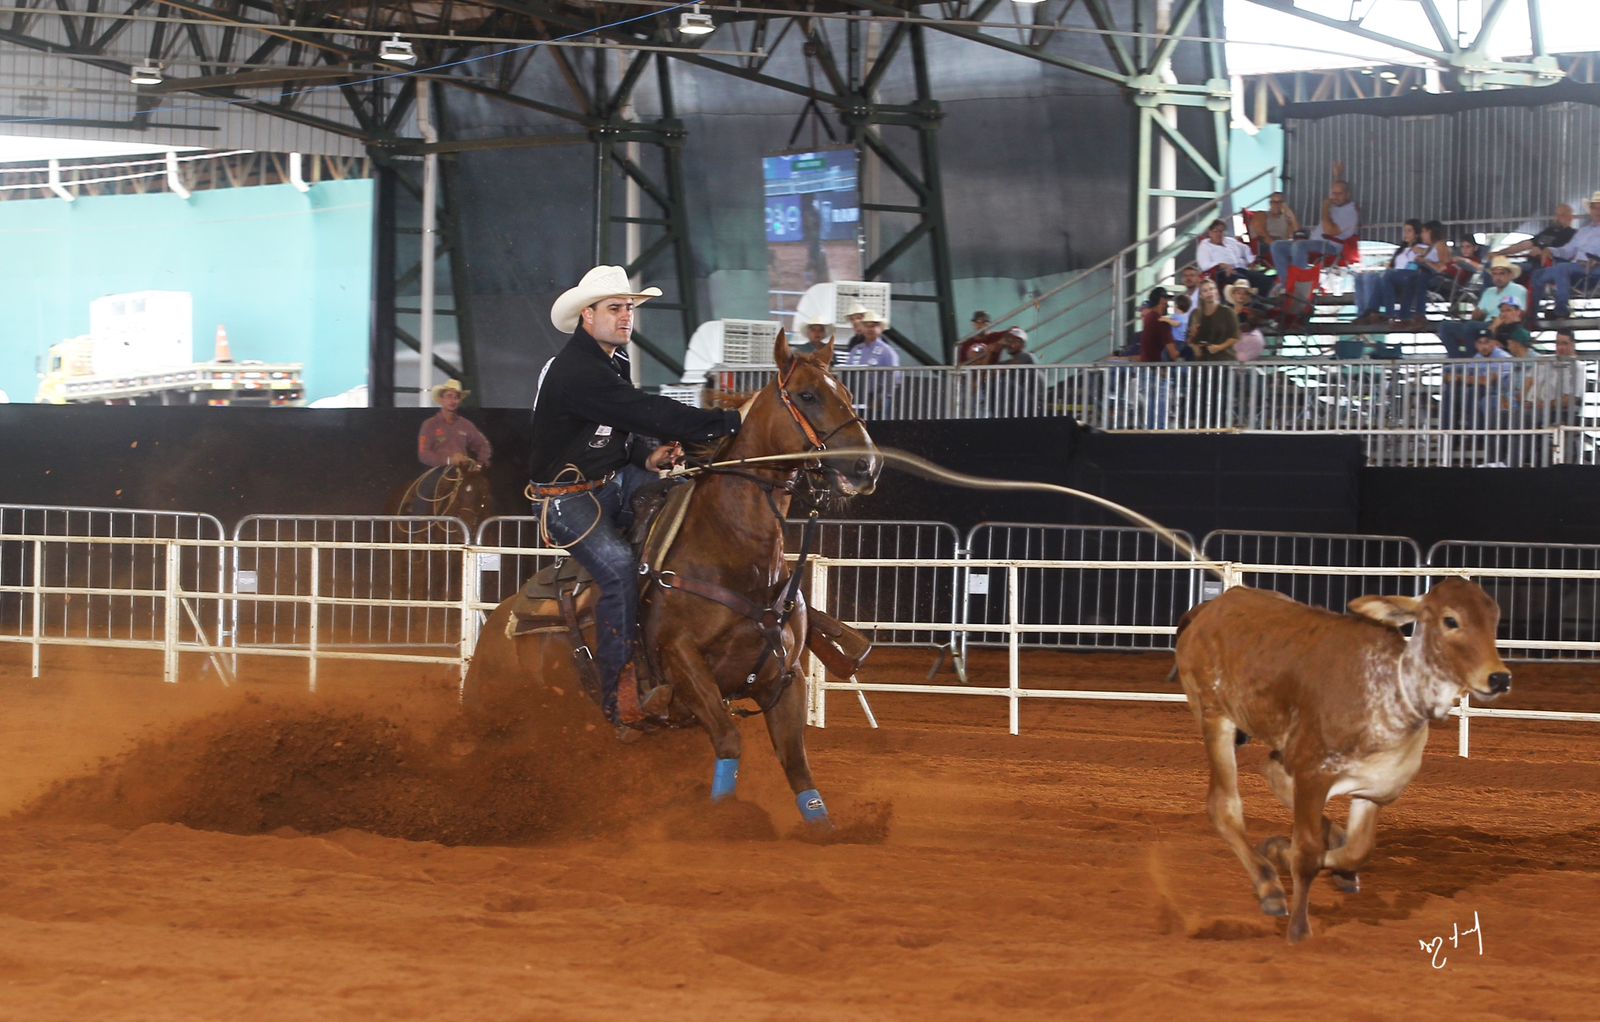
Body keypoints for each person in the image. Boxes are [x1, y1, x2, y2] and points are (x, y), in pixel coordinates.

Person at [528, 265, 745, 733]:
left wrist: (648, 458)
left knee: (690, 500)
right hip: (566, 500)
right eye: (615, 308)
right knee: (620, 569)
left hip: (613, 481)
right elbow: (642, 411)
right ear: (588, 316)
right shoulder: (576, 371)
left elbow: (624, 430)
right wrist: (719, 423)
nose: (626, 316)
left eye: (628, 308)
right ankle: (617, 694)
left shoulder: (614, 363)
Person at [413, 378, 492, 514]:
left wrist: (480, 463)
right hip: (437, 471)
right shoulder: (430, 424)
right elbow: (424, 454)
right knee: (424, 495)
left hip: (463, 471)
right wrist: (449, 460)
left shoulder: (466, 425)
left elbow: (483, 444)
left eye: (456, 397)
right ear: (442, 399)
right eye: (449, 396)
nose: (453, 400)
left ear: (459, 401)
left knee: (484, 494)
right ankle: (419, 532)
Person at [1529, 191, 1600, 324]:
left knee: (1562, 268)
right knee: (1537, 274)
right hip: (1576, 269)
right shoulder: (1583, 231)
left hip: (1594, 271)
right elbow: (1567, 250)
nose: (1597, 210)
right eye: (1594, 207)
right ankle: (1532, 317)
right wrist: (1550, 250)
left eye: (1599, 207)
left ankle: (1561, 310)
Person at [1437, 256, 1527, 358]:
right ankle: (1456, 361)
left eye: (1502, 273)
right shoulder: (1489, 292)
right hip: (1484, 325)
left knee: (1471, 326)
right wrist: (1475, 317)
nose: (1498, 277)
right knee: (1446, 326)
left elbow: (1519, 314)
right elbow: (1478, 314)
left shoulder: (1518, 290)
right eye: (1495, 274)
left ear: (1510, 275)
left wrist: (1496, 323)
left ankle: (1472, 360)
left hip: (1503, 326)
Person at [1354, 219, 1424, 325]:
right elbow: (1391, 266)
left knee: (1385, 276)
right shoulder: (1401, 250)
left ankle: (1385, 313)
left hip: (1406, 279)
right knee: (1363, 277)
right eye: (1404, 231)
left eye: (1409, 231)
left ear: (1417, 234)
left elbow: (1420, 263)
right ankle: (1365, 312)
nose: (1405, 234)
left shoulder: (1420, 248)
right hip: (1393, 277)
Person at [1491, 203, 1576, 283]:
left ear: (1570, 217)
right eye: (1556, 215)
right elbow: (1526, 244)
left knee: (1507, 272)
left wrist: (1542, 253)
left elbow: (1567, 253)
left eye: (1561, 215)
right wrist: (1500, 253)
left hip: (1547, 267)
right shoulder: (1549, 231)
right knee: (1495, 269)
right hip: (1530, 263)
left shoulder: (1572, 234)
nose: (1557, 218)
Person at [844, 308, 899, 418]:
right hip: (857, 397)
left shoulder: (887, 351)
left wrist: (882, 398)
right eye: (867, 325)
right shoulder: (856, 349)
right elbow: (847, 372)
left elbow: (894, 377)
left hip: (878, 397)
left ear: (881, 328)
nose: (870, 329)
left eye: (873, 325)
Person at [1196, 219, 1271, 293]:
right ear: (1210, 233)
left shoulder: (1230, 241)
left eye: (1221, 231)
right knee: (1242, 282)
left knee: (1264, 279)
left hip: (1242, 269)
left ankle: (1264, 301)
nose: (1219, 234)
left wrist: (1251, 261)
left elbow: (1245, 248)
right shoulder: (1205, 246)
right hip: (1224, 273)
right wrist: (1222, 265)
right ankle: (1252, 299)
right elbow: (1204, 265)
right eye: (1216, 231)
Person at [1188, 279, 1241, 362]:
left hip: (1224, 360)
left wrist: (1219, 347)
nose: (1209, 292)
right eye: (1205, 291)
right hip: (1201, 362)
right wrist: (1194, 347)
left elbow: (1235, 337)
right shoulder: (1195, 314)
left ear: (1216, 291)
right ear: (1201, 295)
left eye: (1212, 289)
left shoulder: (1227, 312)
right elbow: (1189, 337)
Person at [1248, 192, 1301, 262]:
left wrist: (1292, 216)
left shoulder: (1286, 218)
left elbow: (1297, 233)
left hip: (1284, 244)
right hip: (1266, 245)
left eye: (1279, 202)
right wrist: (1275, 245)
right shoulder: (1261, 215)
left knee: (1300, 246)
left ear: (1283, 204)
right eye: (1273, 202)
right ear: (1270, 203)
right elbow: (1260, 232)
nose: (1276, 205)